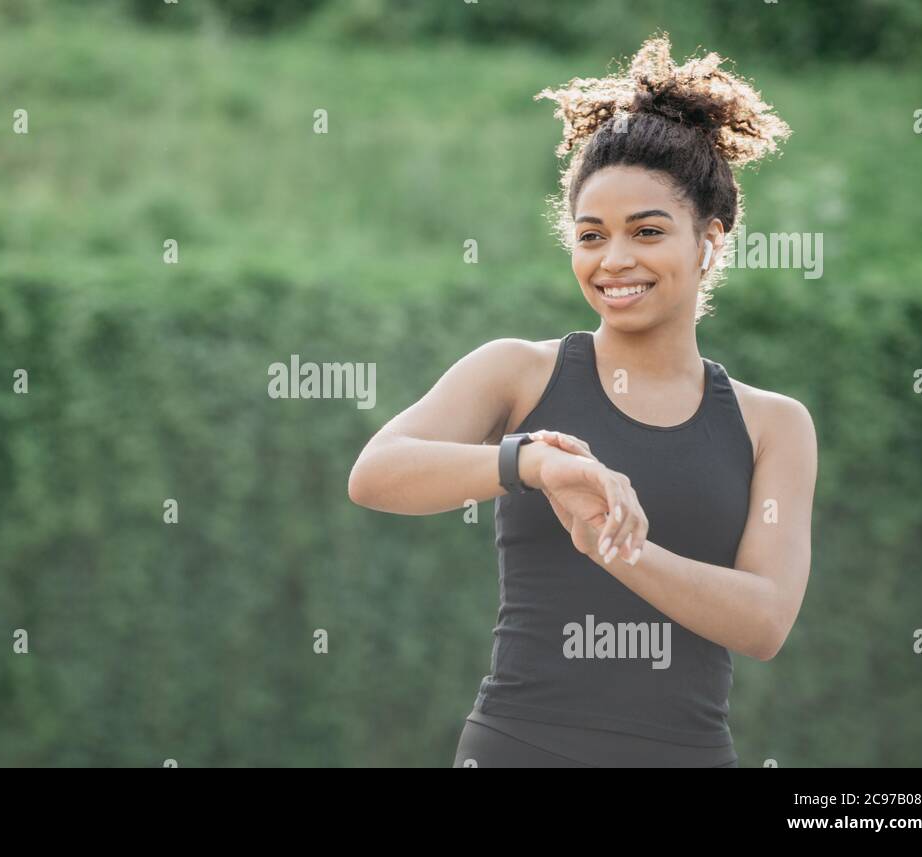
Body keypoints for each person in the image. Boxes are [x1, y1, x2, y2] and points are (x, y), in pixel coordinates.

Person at [346, 33, 817, 767]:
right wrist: (530, 463)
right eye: (591, 235)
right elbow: (377, 472)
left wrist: (616, 546)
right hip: (518, 747)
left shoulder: (773, 424)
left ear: (710, 241)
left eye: (648, 231)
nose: (614, 259)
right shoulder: (518, 373)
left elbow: (764, 620)